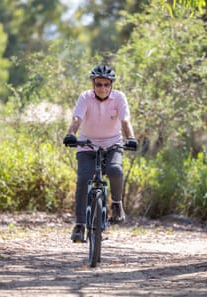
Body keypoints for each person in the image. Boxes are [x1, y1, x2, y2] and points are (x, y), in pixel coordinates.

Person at [63, 65, 137, 242]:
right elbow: (77, 118)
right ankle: (80, 225)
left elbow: (125, 120)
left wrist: (131, 138)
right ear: (93, 84)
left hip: (113, 144)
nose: (102, 88)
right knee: (84, 179)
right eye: (98, 84)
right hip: (87, 146)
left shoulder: (119, 97)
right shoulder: (85, 97)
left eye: (106, 84)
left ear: (111, 85)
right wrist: (70, 134)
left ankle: (117, 204)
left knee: (115, 171)